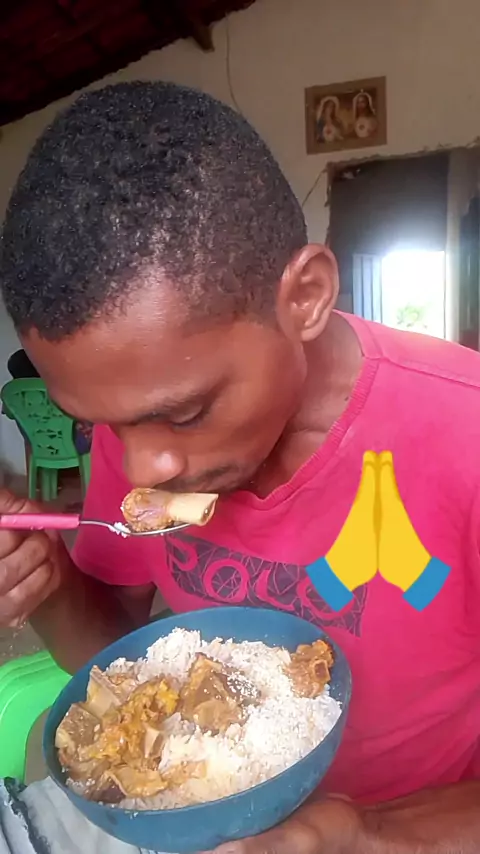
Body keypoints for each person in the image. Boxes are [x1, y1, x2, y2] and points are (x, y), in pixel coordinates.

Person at [0, 81, 479, 854]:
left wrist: (364, 832)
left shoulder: (464, 435)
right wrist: (48, 583)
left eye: (187, 412)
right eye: (103, 424)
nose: (145, 463)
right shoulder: (142, 429)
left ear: (306, 297)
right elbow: (121, 666)